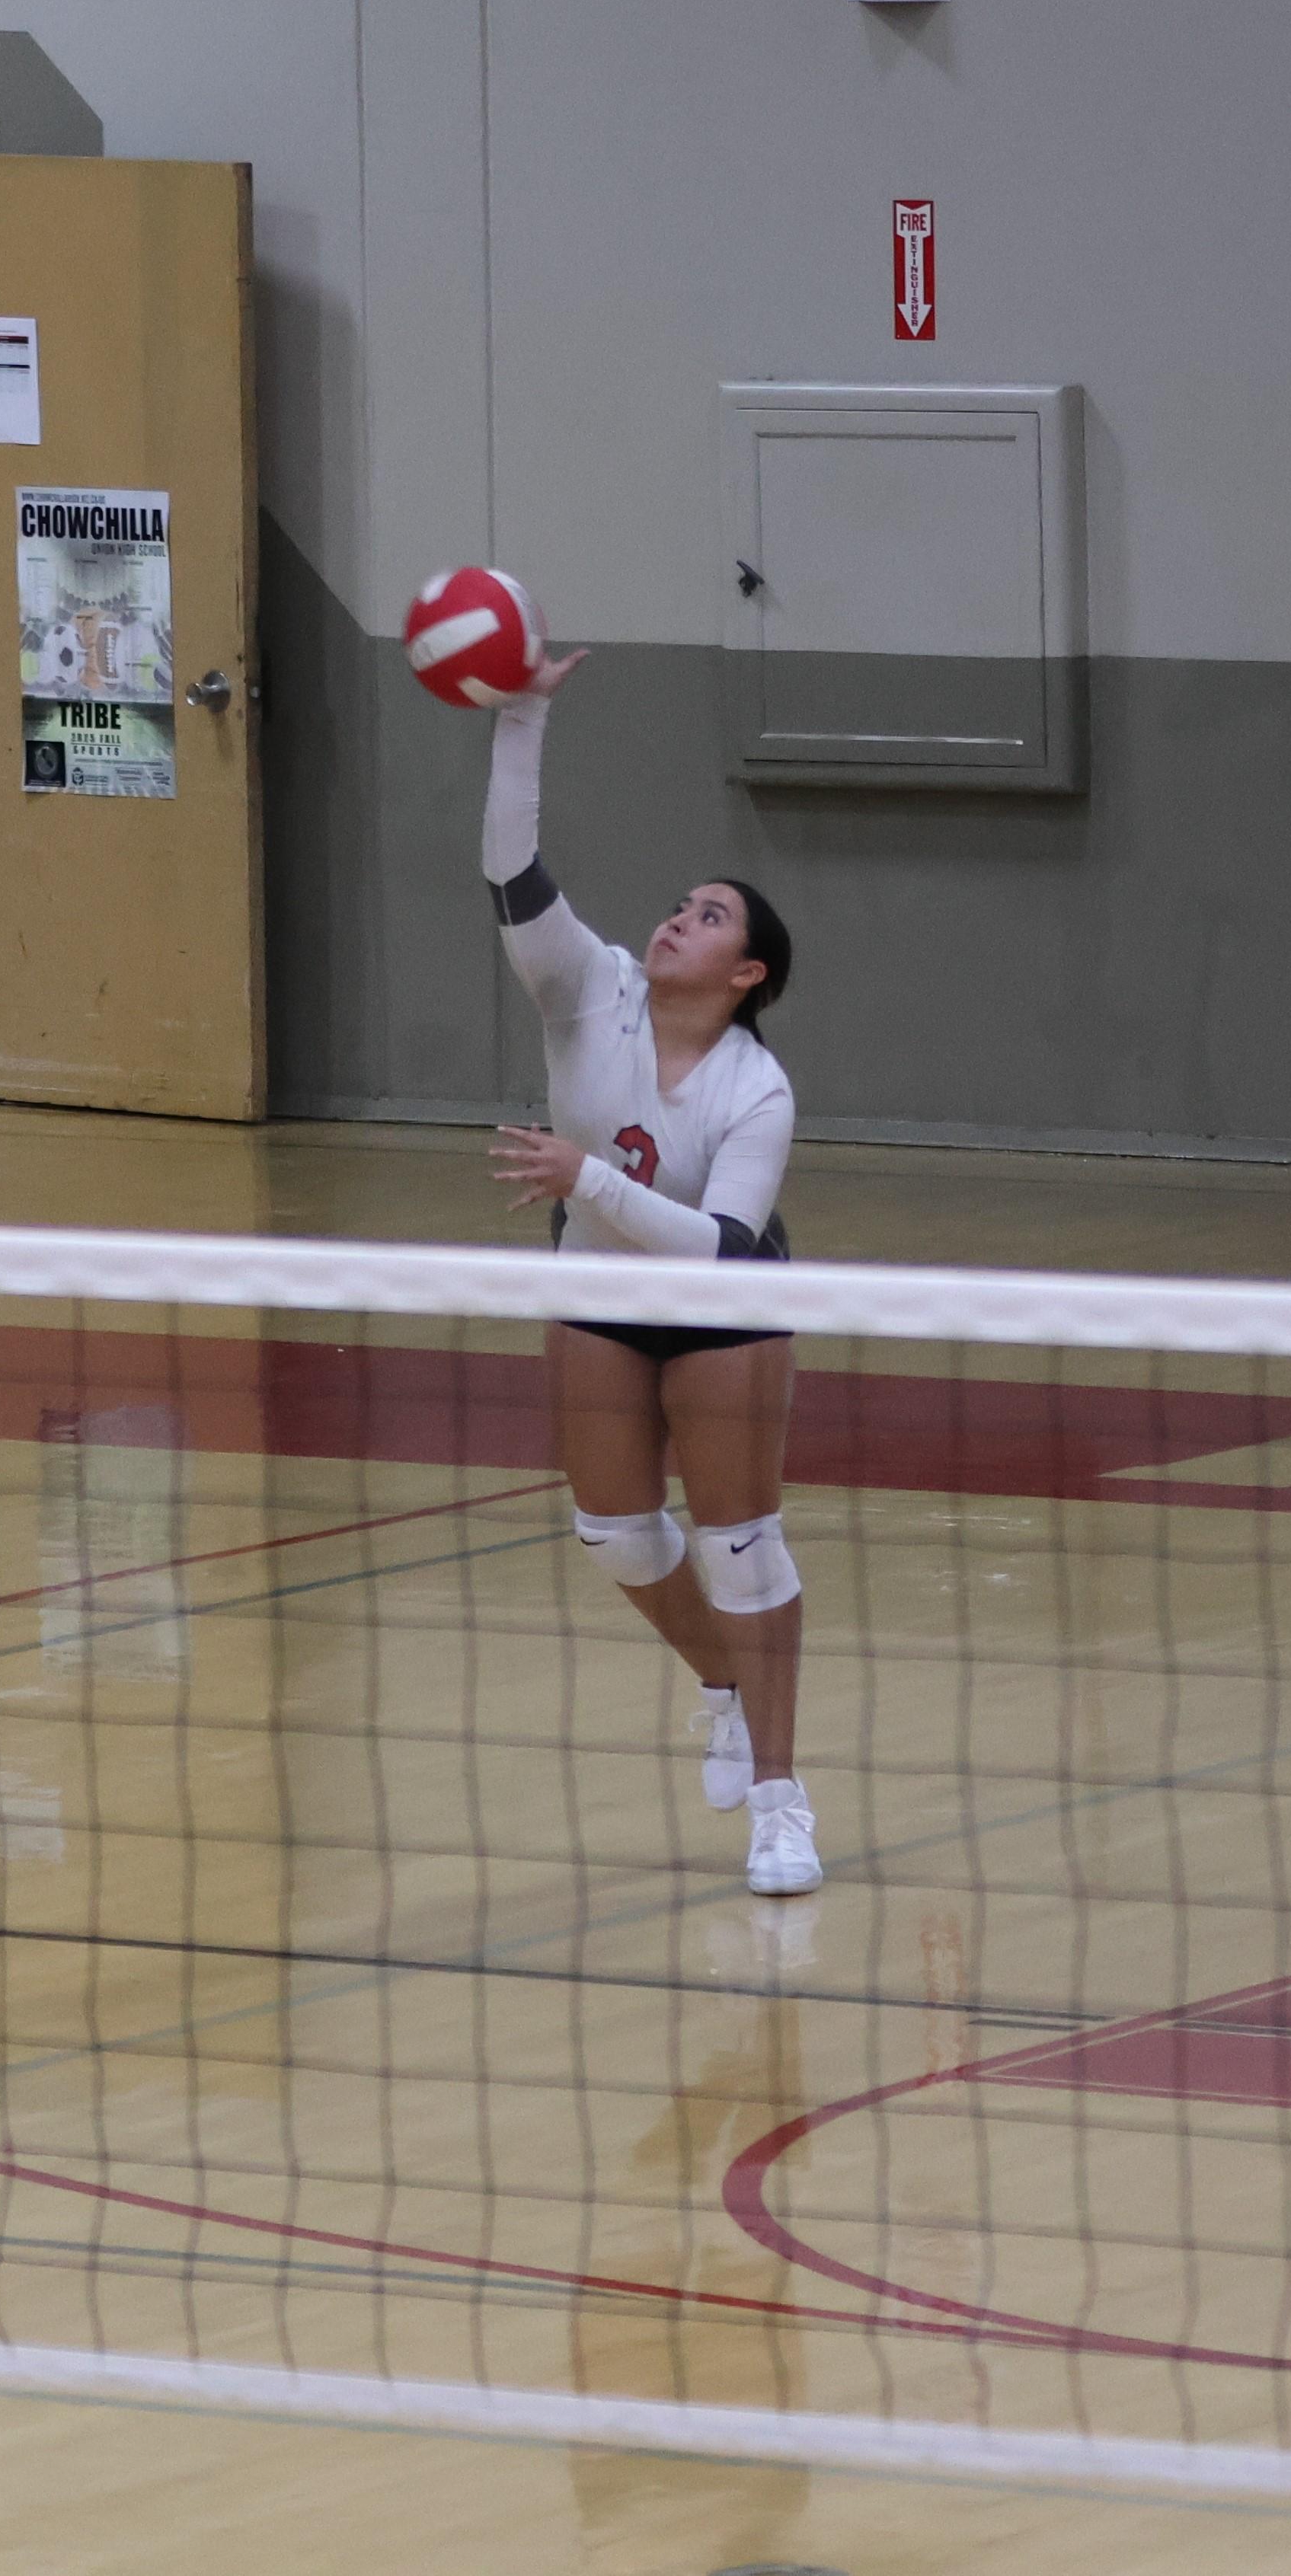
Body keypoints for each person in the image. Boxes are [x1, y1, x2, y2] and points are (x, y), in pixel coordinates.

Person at [484, 650, 819, 1896]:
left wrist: (590, 1182)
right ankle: (720, 1682)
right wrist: (525, 713)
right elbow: (514, 871)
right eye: (683, 900)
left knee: (742, 1550)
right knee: (621, 1534)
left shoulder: (757, 1091)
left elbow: (722, 1248)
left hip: (725, 1307)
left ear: (747, 978)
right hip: (602, 1293)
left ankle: (782, 1801)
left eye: (713, 914)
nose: (681, 914)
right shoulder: (590, 992)